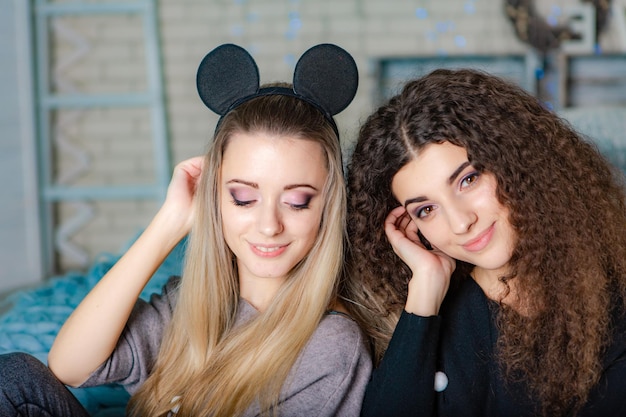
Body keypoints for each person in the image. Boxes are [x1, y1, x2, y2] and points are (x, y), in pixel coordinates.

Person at [0, 43, 372, 416]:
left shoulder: (331, 346)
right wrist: (168, 224)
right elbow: (69, 366)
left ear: (328, 205)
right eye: (243, 198)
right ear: (215, 197)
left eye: (296, 202)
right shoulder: (190, 304)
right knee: (15, 376)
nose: (268, 225)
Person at [346, 68, 626, 417]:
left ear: (514, 161)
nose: (461, 222)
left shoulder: (612, 278)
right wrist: (425, 289)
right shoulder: (447, 316)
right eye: (427, 210)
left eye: (469, 180)